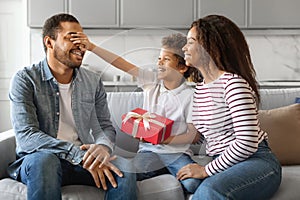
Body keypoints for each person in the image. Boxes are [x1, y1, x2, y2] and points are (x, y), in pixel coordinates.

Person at [8, 13, 136, 200]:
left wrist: (102, 148)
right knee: (45, 161)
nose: (81, 45)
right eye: (72, 38)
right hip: (41, 159)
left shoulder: (92, 81)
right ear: (49, 42)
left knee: (125, 168)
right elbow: (27, 136)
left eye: (82, 38)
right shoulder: (25, 79)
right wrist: (77, 155)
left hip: (82, 161)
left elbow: (105, 127)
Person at [70, 32, 204, 194]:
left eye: (166, 59)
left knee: (193, 185)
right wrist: (92, 47)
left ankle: (167, 172)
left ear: (182, 67)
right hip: (149, 152)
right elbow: (121, 63)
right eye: (159, 58)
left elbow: (194, 135)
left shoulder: (190, 96)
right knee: (126, 175)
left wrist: (163, 139)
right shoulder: (151, 84)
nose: (159, 63)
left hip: (177, 154)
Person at [177, 15, 282, 199]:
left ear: (209, 47)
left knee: (210, 191)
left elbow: (247, 143)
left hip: (256, 160)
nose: (184, 48)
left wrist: (205, 170)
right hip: (225, 162)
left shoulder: (233, 84)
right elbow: (209, 136)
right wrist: (164, 132)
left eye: (191, 42)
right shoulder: (201, 88)